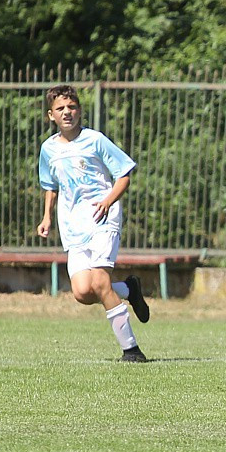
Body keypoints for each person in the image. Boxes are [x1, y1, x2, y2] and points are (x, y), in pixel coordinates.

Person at [37, 84, 150, 363]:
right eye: (61, 108)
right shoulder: (48, 149)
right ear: (51, 115)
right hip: (73, 225)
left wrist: (108, 201)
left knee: (100, 282)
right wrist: (47, 216)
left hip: (103, 218)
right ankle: (129, 289)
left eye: (72, 107)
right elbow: (50, 185)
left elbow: (124, 173)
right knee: (83, 292)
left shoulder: (95, 140)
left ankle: (131, 350)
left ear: (80, 111)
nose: (67, 112)